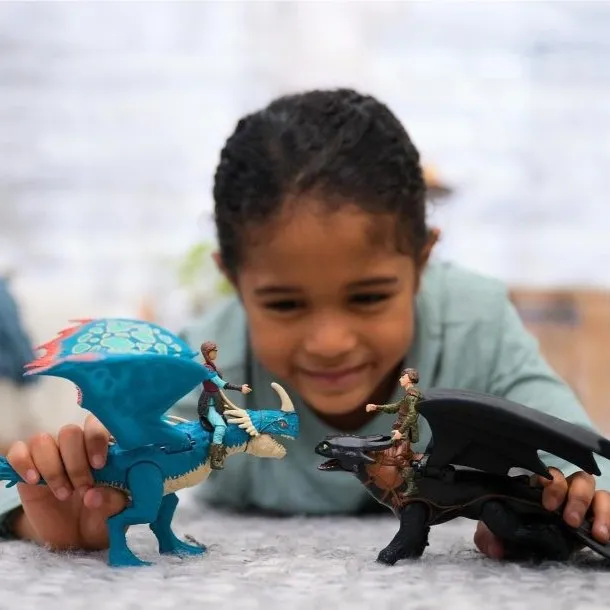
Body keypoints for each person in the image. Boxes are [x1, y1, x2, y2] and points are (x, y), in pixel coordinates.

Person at [2, 88, 610, 562]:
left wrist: (580, 501)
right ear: (235, 282)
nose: (330, 343)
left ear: (422, 263)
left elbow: (588, 455)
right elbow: (31, 488)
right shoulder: (209, 370)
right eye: (285, 305)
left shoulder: (476, 323)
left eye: (369, 297)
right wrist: (50, 505)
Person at [366, 367, 422, 496]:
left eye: (403, 377)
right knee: (393, 454)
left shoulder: (412, 396)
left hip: (405, 431)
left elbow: (412, 416)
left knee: (399, 458)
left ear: (410, 378)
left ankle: (412, 486)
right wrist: (377, 407)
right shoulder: (407, 395)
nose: (400, 379)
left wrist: (400, 432)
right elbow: (395, 407)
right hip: (401, 430)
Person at [197, 340, 252, 469]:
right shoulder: (207, 369)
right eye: (212, 352)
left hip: (217, 401)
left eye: (215, 351)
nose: (215, 354)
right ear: (206, 353)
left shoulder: (212, 366)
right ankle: (215, 458)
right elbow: (220, 384)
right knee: (220, 427)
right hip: (209, 403)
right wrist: (240, 388)